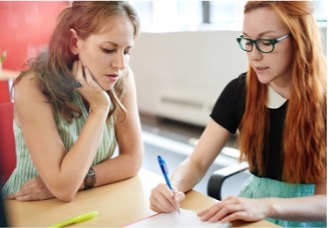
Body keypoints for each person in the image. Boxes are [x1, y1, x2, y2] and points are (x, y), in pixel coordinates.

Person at [149, 1, 326, 227]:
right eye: (248, 41)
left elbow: (324, 202)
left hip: (302, 215)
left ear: (299, 39)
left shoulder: (323, 99)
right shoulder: (240, 90)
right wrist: (172, 186)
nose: (254, 55)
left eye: (266, 42)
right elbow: (198, 161)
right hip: (252, 209)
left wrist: (265, 205)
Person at [1, 1, 143, 202]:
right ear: (74, 42)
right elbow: (64, 189)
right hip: (28, 207)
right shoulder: (32, 87)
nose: (120, 64)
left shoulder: (121, 78)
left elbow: (133, 159)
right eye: (109, 49)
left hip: (87, 200)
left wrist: (82, 180)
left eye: (126, 51)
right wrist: (99, 108)